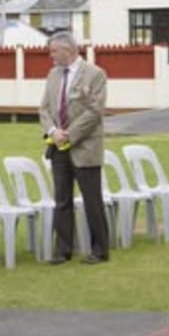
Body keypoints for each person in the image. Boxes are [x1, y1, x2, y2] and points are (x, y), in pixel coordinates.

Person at [39, 30, 109, 264]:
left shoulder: (95, 74)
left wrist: (69, 135)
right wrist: (53, 132)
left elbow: (94, 112)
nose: (51, 56)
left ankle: (99, 250)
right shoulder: (52, 75)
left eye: (54, 51)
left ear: (67, 50)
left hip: (84, 147)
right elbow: (45, 109)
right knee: (62, 200)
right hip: (58, 147)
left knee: (92, 200)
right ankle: (63, 250)